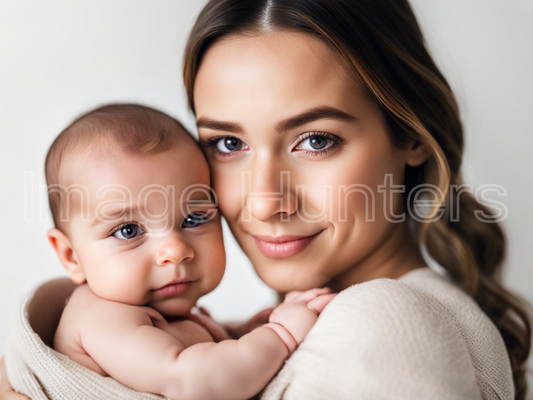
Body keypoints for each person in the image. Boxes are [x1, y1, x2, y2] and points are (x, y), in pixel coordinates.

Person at [1, 0, 531, 399]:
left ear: (411, 133)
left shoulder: (386, 328)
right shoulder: (282, 326)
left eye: (316, 140)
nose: (262, 203)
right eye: (228, 144)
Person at [3, 104, 335, 400]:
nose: (175, 251)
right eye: (128, 231)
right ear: (71, 256)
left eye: (193, 219)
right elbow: (190, 380)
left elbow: (209, 351)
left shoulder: (162, 314)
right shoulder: (101, 318)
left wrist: (251, 330)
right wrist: (281, 334)